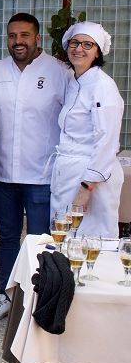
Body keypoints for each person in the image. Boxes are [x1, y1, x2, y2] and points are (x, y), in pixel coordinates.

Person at [0, 13, 67, 322]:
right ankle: (5, 293)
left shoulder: (58, 72)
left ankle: (39, 298)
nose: (19, 41)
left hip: (41, 173)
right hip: (2, 172)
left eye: (25, 35)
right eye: (13, 35)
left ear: (37, 37)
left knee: (41, 239)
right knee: (7, 236)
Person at [50, 21, 124, 238]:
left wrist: (86, 188)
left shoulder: (103, 86)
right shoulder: (73, 80)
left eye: (87, 45)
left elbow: (106, 142)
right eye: (75, 43)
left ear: (98, 52)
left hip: (92, 178)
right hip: (68, 171)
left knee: (91, 240)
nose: (79, 49)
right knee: (65, 237)